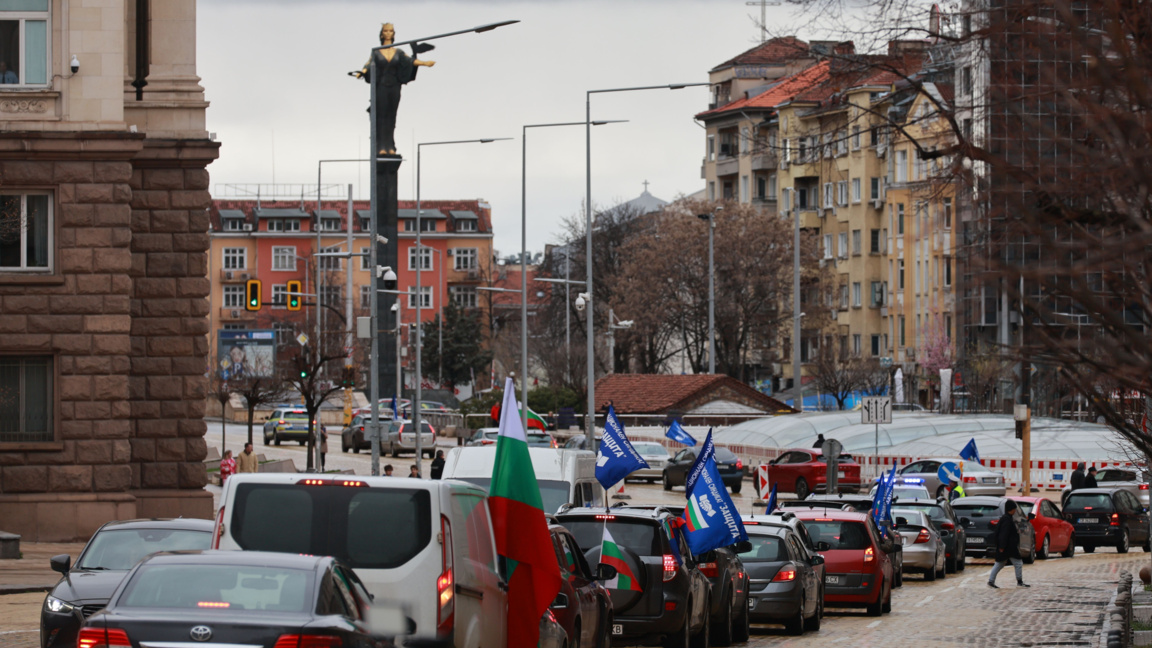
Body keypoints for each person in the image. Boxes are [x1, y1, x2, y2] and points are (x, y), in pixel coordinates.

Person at [350, 23, 436, 155]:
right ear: (382, 34)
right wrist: (362, 72)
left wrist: (425, 63)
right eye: (386, 31)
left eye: (391, 31)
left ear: (393, 33)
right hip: (381, 87)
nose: (388, 33)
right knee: (381, 116)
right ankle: (381, 147)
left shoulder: (398, 52)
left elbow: (410, 61)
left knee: (391, 116)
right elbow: (368, 64)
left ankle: (390, 146)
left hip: (395, 87)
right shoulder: (376, 51)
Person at [987, 499, 1029, 588]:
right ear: (1011, 509)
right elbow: (1004, 534)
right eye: (1014, 509)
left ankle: (991, 581)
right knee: (1017, 563)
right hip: (1008, 547)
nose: (1015, 510)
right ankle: (1019, 582)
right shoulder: (1007, 520)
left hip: (1007, 546)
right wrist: (1002, 546)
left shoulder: (1006, 518)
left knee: (1000, 563)